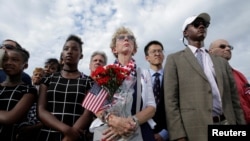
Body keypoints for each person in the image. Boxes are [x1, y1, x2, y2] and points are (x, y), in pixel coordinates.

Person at [163, 12, 246, 141]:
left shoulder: (221, 62)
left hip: (227, 124)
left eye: (204, 24)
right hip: (196, 130)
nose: (201, 26)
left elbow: (234, 99)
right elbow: (170, 101)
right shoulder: (174, 59)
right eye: (196, 24)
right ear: (185, 32)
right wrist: (178, 135)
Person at [99, 26, 156, 141]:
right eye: (121, 38)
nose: (126, 39)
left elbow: (151, 108)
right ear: (114, 49)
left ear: (134, 49)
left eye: (130, 38)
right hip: (109, 131)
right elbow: (96, 106)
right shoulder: (106, 71)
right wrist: (114, 121)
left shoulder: (144, 73)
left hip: (138, 130)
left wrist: (128, 124)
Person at [37, 34, 94, 141]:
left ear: (81, 55)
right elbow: (41, 110)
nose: (69, 51)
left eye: (75, 49)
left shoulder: (89, 82)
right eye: (66, 49)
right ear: (62, 55)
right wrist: (67, 130)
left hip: (75, 137)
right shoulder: (48, 79)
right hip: (48, 135)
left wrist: (69, 137)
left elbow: (87, 114)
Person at [209, 39, 250, 124]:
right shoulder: (209, 76)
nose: (228, 49)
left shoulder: (239, 75)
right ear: (210, 52)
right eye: (222, 46)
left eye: (229, 47)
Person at [0, 47, 37, 141]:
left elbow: (10, 117)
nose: (8, 62)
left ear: (25, 65)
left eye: (15, 60)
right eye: (5, 59)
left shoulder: (28, 90)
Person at [144, 40, 168, 141]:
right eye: (154, 52)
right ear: (147, 58)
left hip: (169, 132)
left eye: (160, 51)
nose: (157, 54)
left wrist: (165, 133)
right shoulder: (141, 79)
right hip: (146, 133)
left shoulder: (172, 76)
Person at [16, 67, 45, 141]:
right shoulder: (26, 87)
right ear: (32, 77)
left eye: (41, 75)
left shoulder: (43, 90)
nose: (38, 76)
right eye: (36, 74)